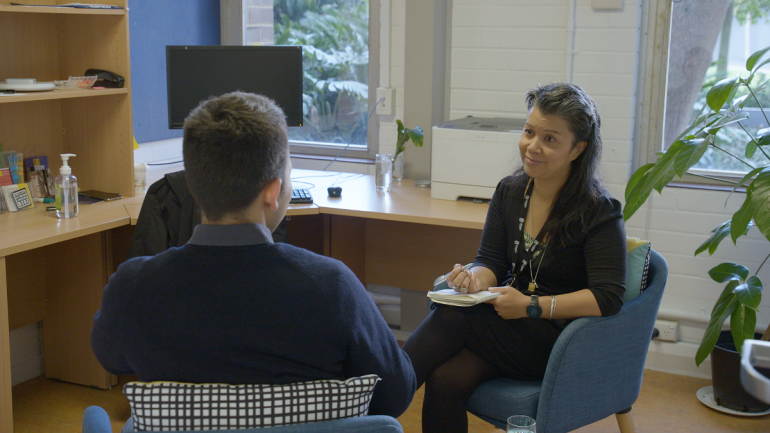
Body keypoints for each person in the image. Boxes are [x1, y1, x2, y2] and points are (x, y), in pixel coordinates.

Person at [91, 92, 416, 418]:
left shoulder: (133, 287)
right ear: (273, 192)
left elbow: (112, 357)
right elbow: (396, 395)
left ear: (194, 182)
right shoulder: (333, 288)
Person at [402, 83, 627, 433]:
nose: (532, 146)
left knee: (453, 314)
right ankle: (377, 398)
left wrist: (532, 306)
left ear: (577, 149)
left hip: (559, 340)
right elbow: (490, 260)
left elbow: (608, 297)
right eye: (529, 132)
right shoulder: (510, 191)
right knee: (446, 378)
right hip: (508, 325)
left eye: (550, 139)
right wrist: (475, 279)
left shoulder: (598, 211)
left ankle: (373, 402)